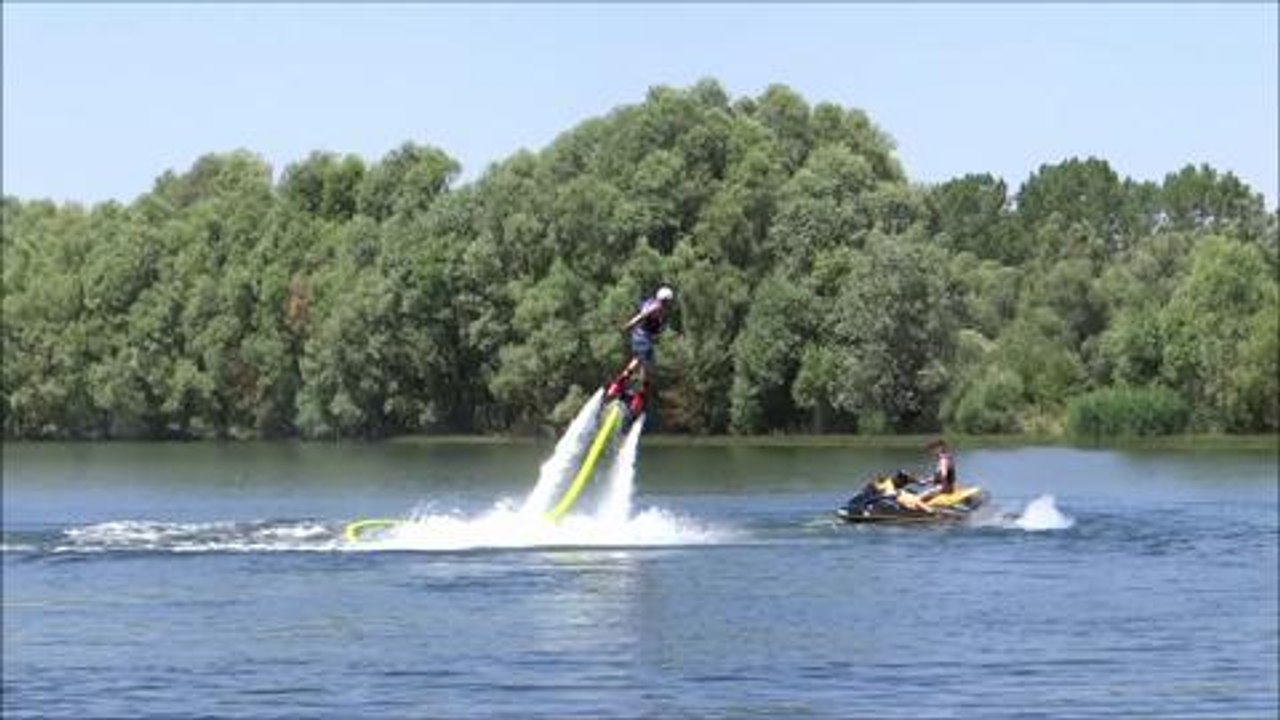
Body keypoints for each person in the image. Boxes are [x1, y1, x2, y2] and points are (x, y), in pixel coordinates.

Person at [605, 285, 675, 406]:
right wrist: (629, 324)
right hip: (643, 338)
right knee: (647, 367)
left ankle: (617, 385)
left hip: (638, 336)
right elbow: (643, 315)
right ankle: (640, 397)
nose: (670, 304)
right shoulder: (657, 307)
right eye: (669, 301)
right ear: (665, 300)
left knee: (637, 361)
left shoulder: (652, 303)